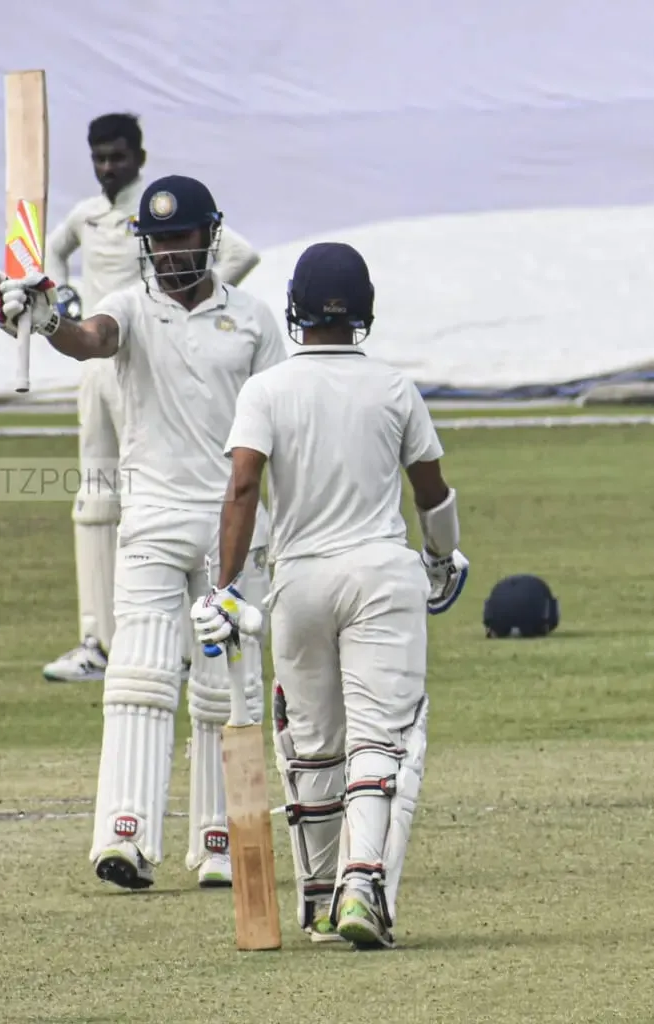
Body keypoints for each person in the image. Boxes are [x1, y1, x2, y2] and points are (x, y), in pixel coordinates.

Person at [0, 174, 286, 889]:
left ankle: (221, 841)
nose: (169, 254)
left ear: (208, 235)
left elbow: (283, 424)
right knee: (138, 678)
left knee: (222, 689)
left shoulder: (252, 320)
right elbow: (87, 339)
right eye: (156, 242)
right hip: (150, 521)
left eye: (179, 238)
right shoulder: (128, 309)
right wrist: (42, 314)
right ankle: (125, 835)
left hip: (233, 528)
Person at [191, 242, 469, 946]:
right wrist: (442, 557)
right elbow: (429, 489)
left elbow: (243, 487)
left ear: (295, 309)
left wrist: (221, 588)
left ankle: (317, 904)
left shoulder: (267, 390)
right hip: (379, 575)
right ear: (364, 312)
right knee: (381, 739)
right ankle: (360, 887)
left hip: (300, 581)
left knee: (312, 749)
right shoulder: (393, 386)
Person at [42, 113, 261, 683]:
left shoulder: (168, 207)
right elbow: (54, 256)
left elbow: (239, 254)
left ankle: (195, 642)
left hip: (153, 356)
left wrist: (196, 303)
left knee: (176, 486)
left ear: (138, 156)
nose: (109, 167)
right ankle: (96, 638)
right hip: (101, 351)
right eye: (100, 158)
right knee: (96, 494)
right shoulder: (85, 216)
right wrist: (56, 304)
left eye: (118, 156)